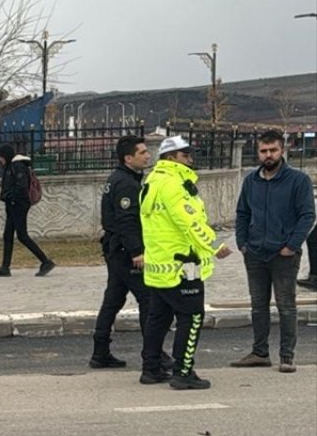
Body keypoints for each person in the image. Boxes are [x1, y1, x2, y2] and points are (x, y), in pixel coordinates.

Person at [138, 136, 232, 390]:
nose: (191, 159)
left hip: (160, 265)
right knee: (191, 317)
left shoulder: (152, 182)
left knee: (158, 317)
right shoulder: (174, 185)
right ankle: (183, 371)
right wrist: (214, 246)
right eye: (185, 154)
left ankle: (151, 368)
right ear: (171, 158)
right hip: (183, 265)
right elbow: (189, 222)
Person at [230, 130, 316, 373]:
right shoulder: (251, 180)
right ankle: (259, 352)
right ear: (258, 152)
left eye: (273, 150)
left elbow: (307, 215)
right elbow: (243, 213)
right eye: (263, 151)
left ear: (282, 150)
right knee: (258, 306)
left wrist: (292, 245)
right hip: (255, 252)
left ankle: (287, 356)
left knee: (286, 305)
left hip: (284, 255)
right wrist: (242, 243)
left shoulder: (298, 180)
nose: (268, 155)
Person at [90, 136, 171, 370]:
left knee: (113, 299)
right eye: (142, 152)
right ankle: (153, 353)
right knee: (149, 300)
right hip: (125, 251)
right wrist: (137, 251)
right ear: (128, 158)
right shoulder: (125, 183)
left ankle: (100, 351)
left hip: (116, 249)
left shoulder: (122, 178)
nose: (148, 156)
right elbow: (126, 221)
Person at [0, 144, 54, 277]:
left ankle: (46, 261)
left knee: (22, 236)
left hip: (18, 205)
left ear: (5, 155)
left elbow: (21, 187)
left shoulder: (17, 167)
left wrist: (9, 197)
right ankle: (5, 267)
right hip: (12, 205)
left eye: (0, 156)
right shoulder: (10, 166)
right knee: (8, 235)